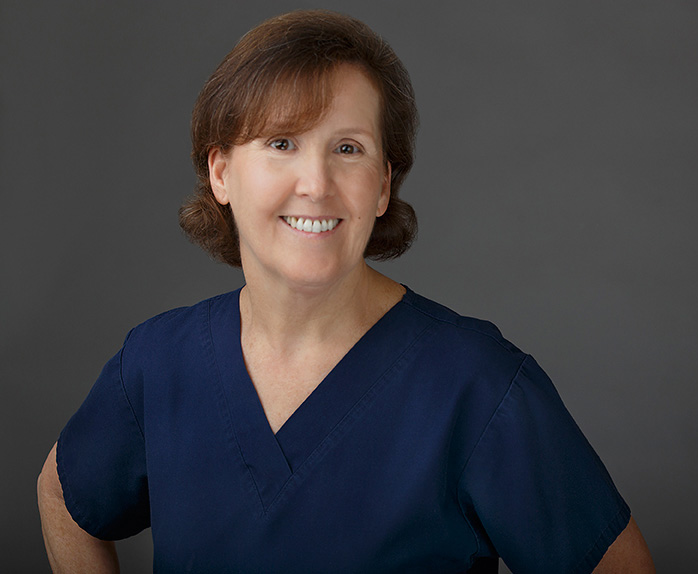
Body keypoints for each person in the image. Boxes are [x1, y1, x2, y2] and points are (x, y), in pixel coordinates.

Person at [37, 10, 655, 573]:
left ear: (383, 186)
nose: (317, 182)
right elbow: (63, 495)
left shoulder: (478, 386)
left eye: (348, 149)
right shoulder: (157, 363)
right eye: (282, 143)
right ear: (221, 172)